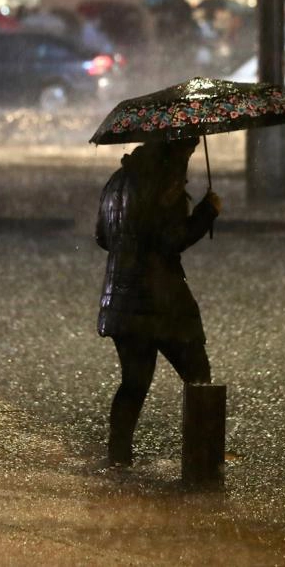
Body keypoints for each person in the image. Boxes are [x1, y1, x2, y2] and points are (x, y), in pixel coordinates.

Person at [95, 137, 222, 466]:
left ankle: (118, 458)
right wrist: (207, 212)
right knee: (198, 378)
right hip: (163, 305)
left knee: (133, 384)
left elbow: (102, 236)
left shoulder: (117, 181)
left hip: (121, 299)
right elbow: (172, 240)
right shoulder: (165, 179)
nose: (191, 155)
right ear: (174, 149)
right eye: (188, 148)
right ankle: (204, 462)